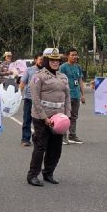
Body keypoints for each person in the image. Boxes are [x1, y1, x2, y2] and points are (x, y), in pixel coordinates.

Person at [27, 47, 70, 187]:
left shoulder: (63, 76)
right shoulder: (38, 76)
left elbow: (67, 97)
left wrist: (67, 116)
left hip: (59, 118)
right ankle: (33, 175)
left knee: (56, 148)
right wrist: (44, 117)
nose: (55, 62)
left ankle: (48, 173)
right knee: (40, 147)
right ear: (46, 61)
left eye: (57, 60)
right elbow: (35, 99)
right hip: (42, 118)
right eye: (52, 60)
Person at [60, 48, 86, 144]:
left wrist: (83, 95)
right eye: (72, 55)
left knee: (74, 116)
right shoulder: (63, 67)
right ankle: (63, 136)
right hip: (66, 96)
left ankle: (72, 135)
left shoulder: (78, 66)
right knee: (65, 116)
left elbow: (80, 81)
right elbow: (59, 81)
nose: (75, 56)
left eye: (76, 55)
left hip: (76, 95)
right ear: (68, 56)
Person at [18, 53, 42, 147]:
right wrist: (19, 94)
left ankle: (38, 139)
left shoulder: (45, 71)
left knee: (40, 121)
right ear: (36, 60)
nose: (42, 61)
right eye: (40, 59)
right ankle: (25, 139)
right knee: (27, 119)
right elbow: (23, 82)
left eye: (43, 60)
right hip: (29, 98)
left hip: (41, 100)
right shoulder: (29, 70)